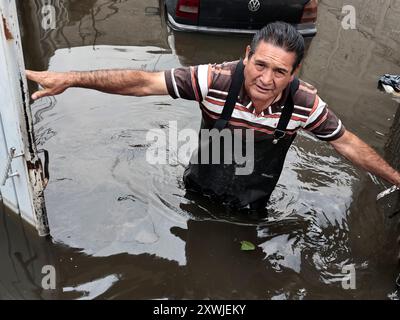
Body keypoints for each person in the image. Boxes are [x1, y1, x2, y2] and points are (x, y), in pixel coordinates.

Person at [26, 22, 400, 212]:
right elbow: (141, 83)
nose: (266, 80)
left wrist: (396, 178)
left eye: (280, 72)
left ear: (295, 71)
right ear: (247, 54)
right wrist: (71, 78)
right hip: (196, 191)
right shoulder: (213, 80)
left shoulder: (304, 105)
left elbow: (347, 142)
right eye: (261, 65)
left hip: (253, 206)